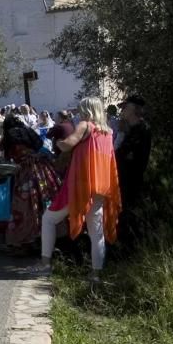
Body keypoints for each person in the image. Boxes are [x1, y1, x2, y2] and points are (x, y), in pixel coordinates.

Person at [40, 97, 121, 282]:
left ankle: (44, 265)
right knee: (96, 233)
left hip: (80, 186)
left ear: (87, 110)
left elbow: (68, 144)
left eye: (81, 108)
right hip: (100, 187)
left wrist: (59, 143)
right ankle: (96, 274)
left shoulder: (85, 125)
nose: (78, 112)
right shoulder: (108, 132)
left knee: (49, 219)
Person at [1, 115, 62, 254]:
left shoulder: (9, 135)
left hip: (26, 171)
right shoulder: (28, 130)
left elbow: (8, 157)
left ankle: (25, 241)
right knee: (43, 202)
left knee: (25, 206)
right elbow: (40, 145)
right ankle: (48, 238)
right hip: (42, 168)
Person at [116, 95, 151, 243]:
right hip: (124, 180)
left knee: (131, 215)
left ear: (134, 109)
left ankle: (132, 248)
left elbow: (128, 156)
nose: (122, 110)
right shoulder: (131, 129)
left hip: (132, 181)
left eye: (125, 107)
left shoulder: (142, 129)